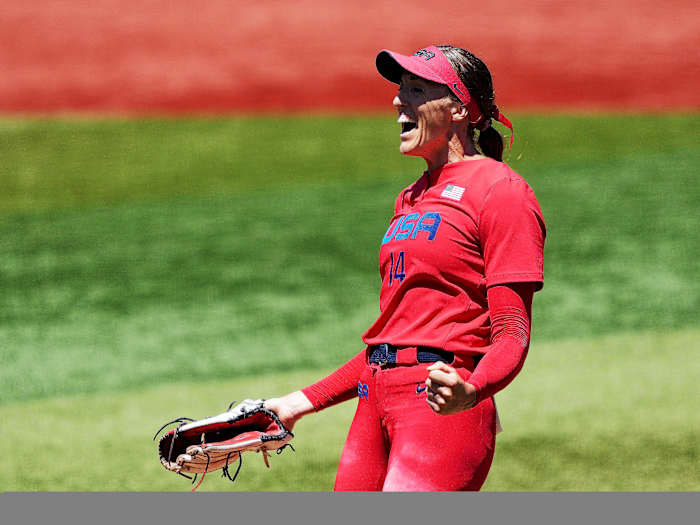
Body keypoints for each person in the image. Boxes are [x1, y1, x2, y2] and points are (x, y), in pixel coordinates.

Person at [264, 44, 546, 491]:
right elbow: (392, 341)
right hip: (372, 398)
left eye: (416, 88)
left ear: (459, 108)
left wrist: (470, 392)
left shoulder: (501, 191)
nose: (398, 100)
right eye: (400, 89)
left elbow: (511, 331)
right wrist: (299, 402)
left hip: (440, 405)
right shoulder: (409, 200)